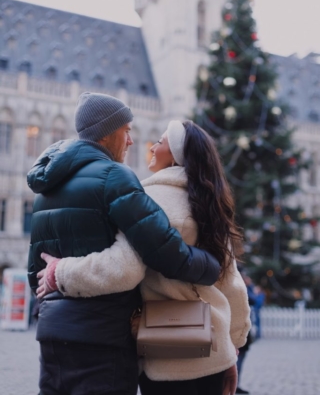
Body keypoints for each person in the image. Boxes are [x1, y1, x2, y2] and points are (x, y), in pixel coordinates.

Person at [38, 119, 251, 395]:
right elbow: (231, 284)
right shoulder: (211, 203)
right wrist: (232, 346)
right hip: (215, 350)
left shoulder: (147, 199)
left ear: (175, 153)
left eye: (160, 142)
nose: (151, 147)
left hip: (166, 353)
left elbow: (124, 268)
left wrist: (61, 273)